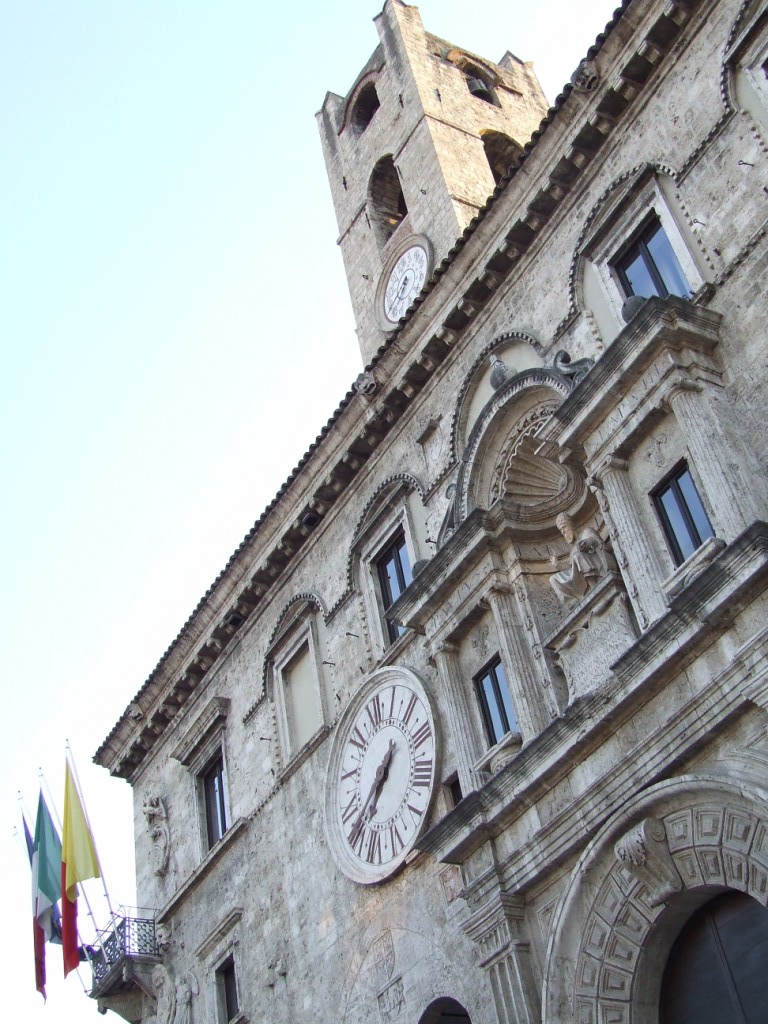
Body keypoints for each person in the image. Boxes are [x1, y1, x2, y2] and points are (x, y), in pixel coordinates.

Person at [549, 512, 610, 603]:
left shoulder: (587, 532)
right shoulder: (572, 550)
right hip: (581, 571)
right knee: (553, 579)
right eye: (561, 530)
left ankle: (594, 587)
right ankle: (573, 601)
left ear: (571, 525)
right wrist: (558, 565)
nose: (563, 532)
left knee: (578, 556)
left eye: (564, 527)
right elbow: (571, 567)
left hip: (598, 563)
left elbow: (602, 545)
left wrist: (589, 542)